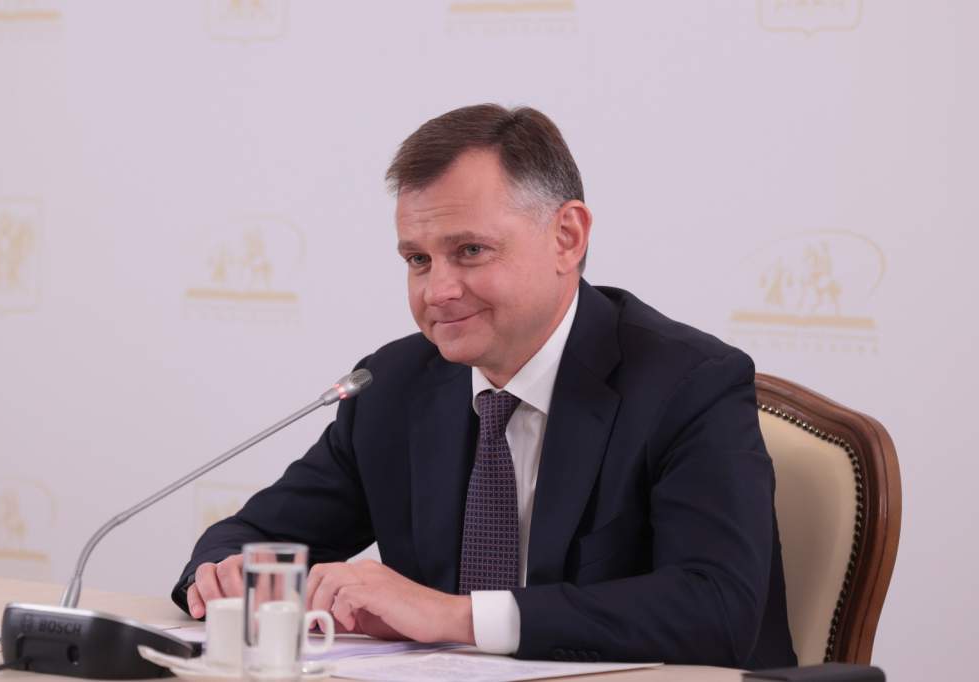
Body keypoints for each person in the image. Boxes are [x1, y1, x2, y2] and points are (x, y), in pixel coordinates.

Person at [173, 104, 797, 668]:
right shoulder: (393, 387)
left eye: (470, 250)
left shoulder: (687, 383)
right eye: (417, 260)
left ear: (567, 238)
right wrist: (227, 578)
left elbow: (716, 608)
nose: (437, 291)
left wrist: (456, 617)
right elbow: (250, 541)